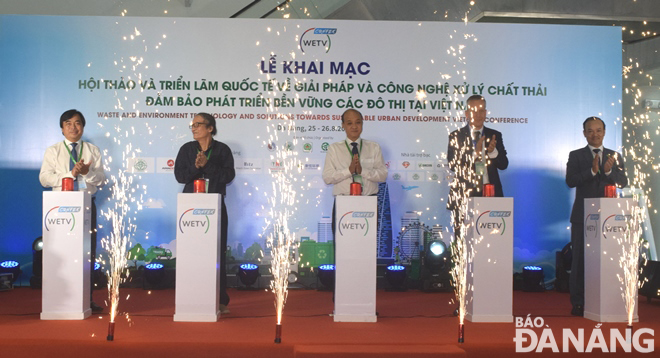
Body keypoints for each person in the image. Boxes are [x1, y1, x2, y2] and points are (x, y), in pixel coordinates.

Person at [39, 109, 106, 313]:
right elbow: (44, 179)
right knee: (60, 252)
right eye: (68, 123)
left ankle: (87, 299)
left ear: (83, 127)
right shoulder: (53, 151)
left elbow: (101, 180)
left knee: (88, 253)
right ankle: (58, 298)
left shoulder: (92, 150)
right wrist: (70, 174)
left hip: (85, 205)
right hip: (59, 207)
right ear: (62, 128)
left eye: (77, 123)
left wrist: (87, 173)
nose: (73, 127)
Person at [566, 116, 627, 316]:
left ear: (604, 132)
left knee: (607, 259)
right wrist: (592, 172)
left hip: (609, 218)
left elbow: (623, 182)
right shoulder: (576, 155)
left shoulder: (614, 156)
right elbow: (571, 181)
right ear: (584, 133)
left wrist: (608, 172)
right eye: (590, 131)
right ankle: (578, 302)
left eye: (598, 130)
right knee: (580, 260)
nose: (595, 134)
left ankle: (606, 300)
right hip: (582, 216)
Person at [322, 108, 388, 293]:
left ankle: (365, 297)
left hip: (368, 203)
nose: (354, 126)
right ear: (343, 125)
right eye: (349, 123)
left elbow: (382, 175)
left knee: (366, 252)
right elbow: (328, 177)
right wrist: (349, 171)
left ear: (362, 124)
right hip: (344, 205)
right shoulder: (334, 149)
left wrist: (362, 171)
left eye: (357, 122)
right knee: (343, 252)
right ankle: (341, 298)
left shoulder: (373, 147)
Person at [175, 112, 235, 314]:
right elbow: (180, 176)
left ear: (210, 128)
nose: (194, 128)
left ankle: (220, 299)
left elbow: (228, 176)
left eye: (198, 124)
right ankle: (190, 295)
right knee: (191, 251)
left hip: (215, 207)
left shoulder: (223, 150)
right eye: (192, 125)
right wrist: (196, 166)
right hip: (190, 208)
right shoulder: (186, 149)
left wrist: (207, 165)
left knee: (217, 253)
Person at [446, 95, 508, 236]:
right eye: (474, 111)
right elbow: (452, 164)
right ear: (467, 114)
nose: (478, 115)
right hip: (463, 195)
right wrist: (475, 153)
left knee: (492, 241)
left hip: (490, 195)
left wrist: (493, 152)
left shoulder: (495, 135)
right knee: (463, 242)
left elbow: (504, 165)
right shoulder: (456, 136)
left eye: (481, 111)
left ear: (486, 113)